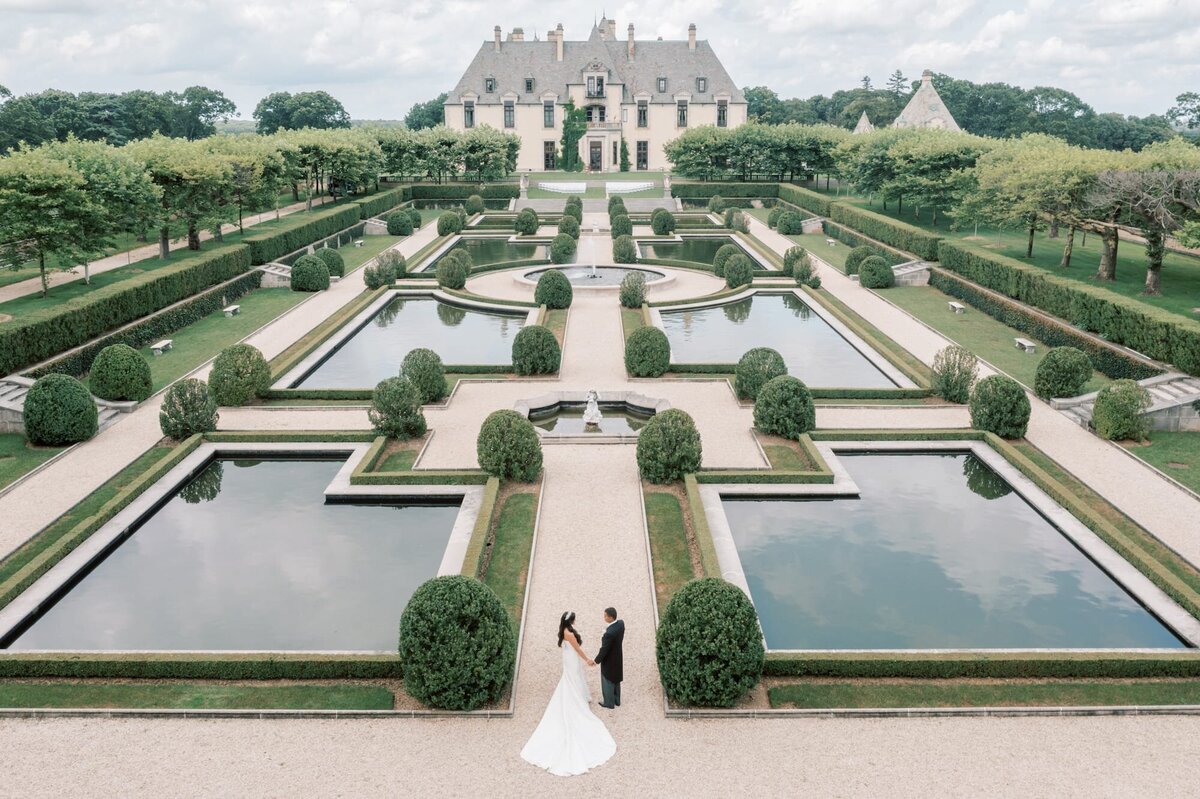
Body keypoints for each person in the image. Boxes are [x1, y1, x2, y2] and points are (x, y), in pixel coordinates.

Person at [520, 612, 616, 777]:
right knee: (572, 678)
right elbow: (577, 649)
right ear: (571, 621)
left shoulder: (565, 630)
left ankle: (577, 694)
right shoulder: (569, 633)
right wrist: (587, 660)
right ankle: (574, 699)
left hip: (569, 658)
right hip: (572, 659)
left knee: (573, 678)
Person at [593, 607, 624, 709]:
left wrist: (596, 661)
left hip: (609, 660)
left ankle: (608, 702)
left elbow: (604, 650)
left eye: (605, 616)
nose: (604, 617)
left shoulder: (609, 634)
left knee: (607, 679)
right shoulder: (620, 624)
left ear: (611, 618)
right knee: (616, 679)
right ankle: (617, 700)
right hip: (618, 657)